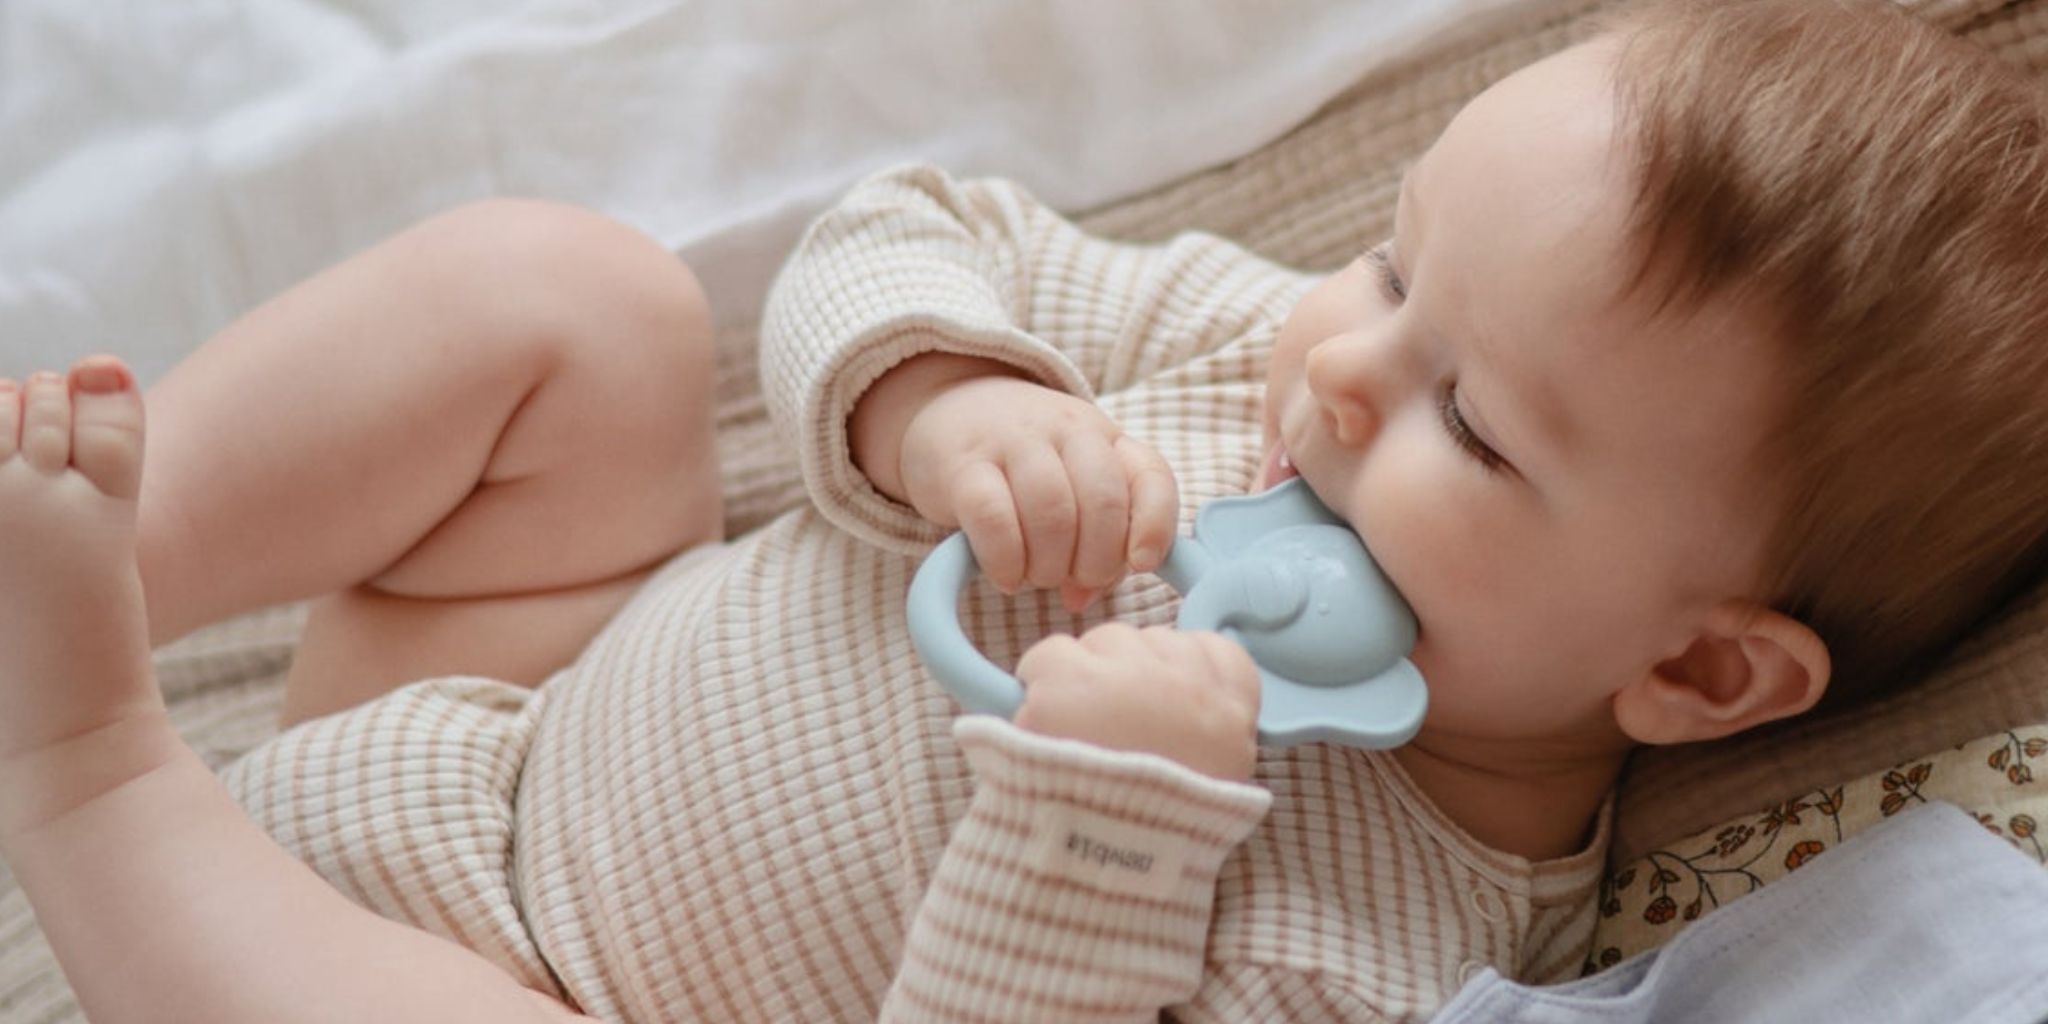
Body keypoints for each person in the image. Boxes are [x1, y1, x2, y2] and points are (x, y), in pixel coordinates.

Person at [3, 0, 2046, 1020]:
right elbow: (912, 228)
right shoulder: (1260, 362)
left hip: (516, 983)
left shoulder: (1391, 945)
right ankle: (105, 530)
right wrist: (940, 393)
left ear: (1692, 664)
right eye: (1400, 265)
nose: (1340, 364)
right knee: (576, 299)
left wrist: (1102, 811)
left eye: (1477, 426)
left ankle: (81, 758)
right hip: (509, 702)